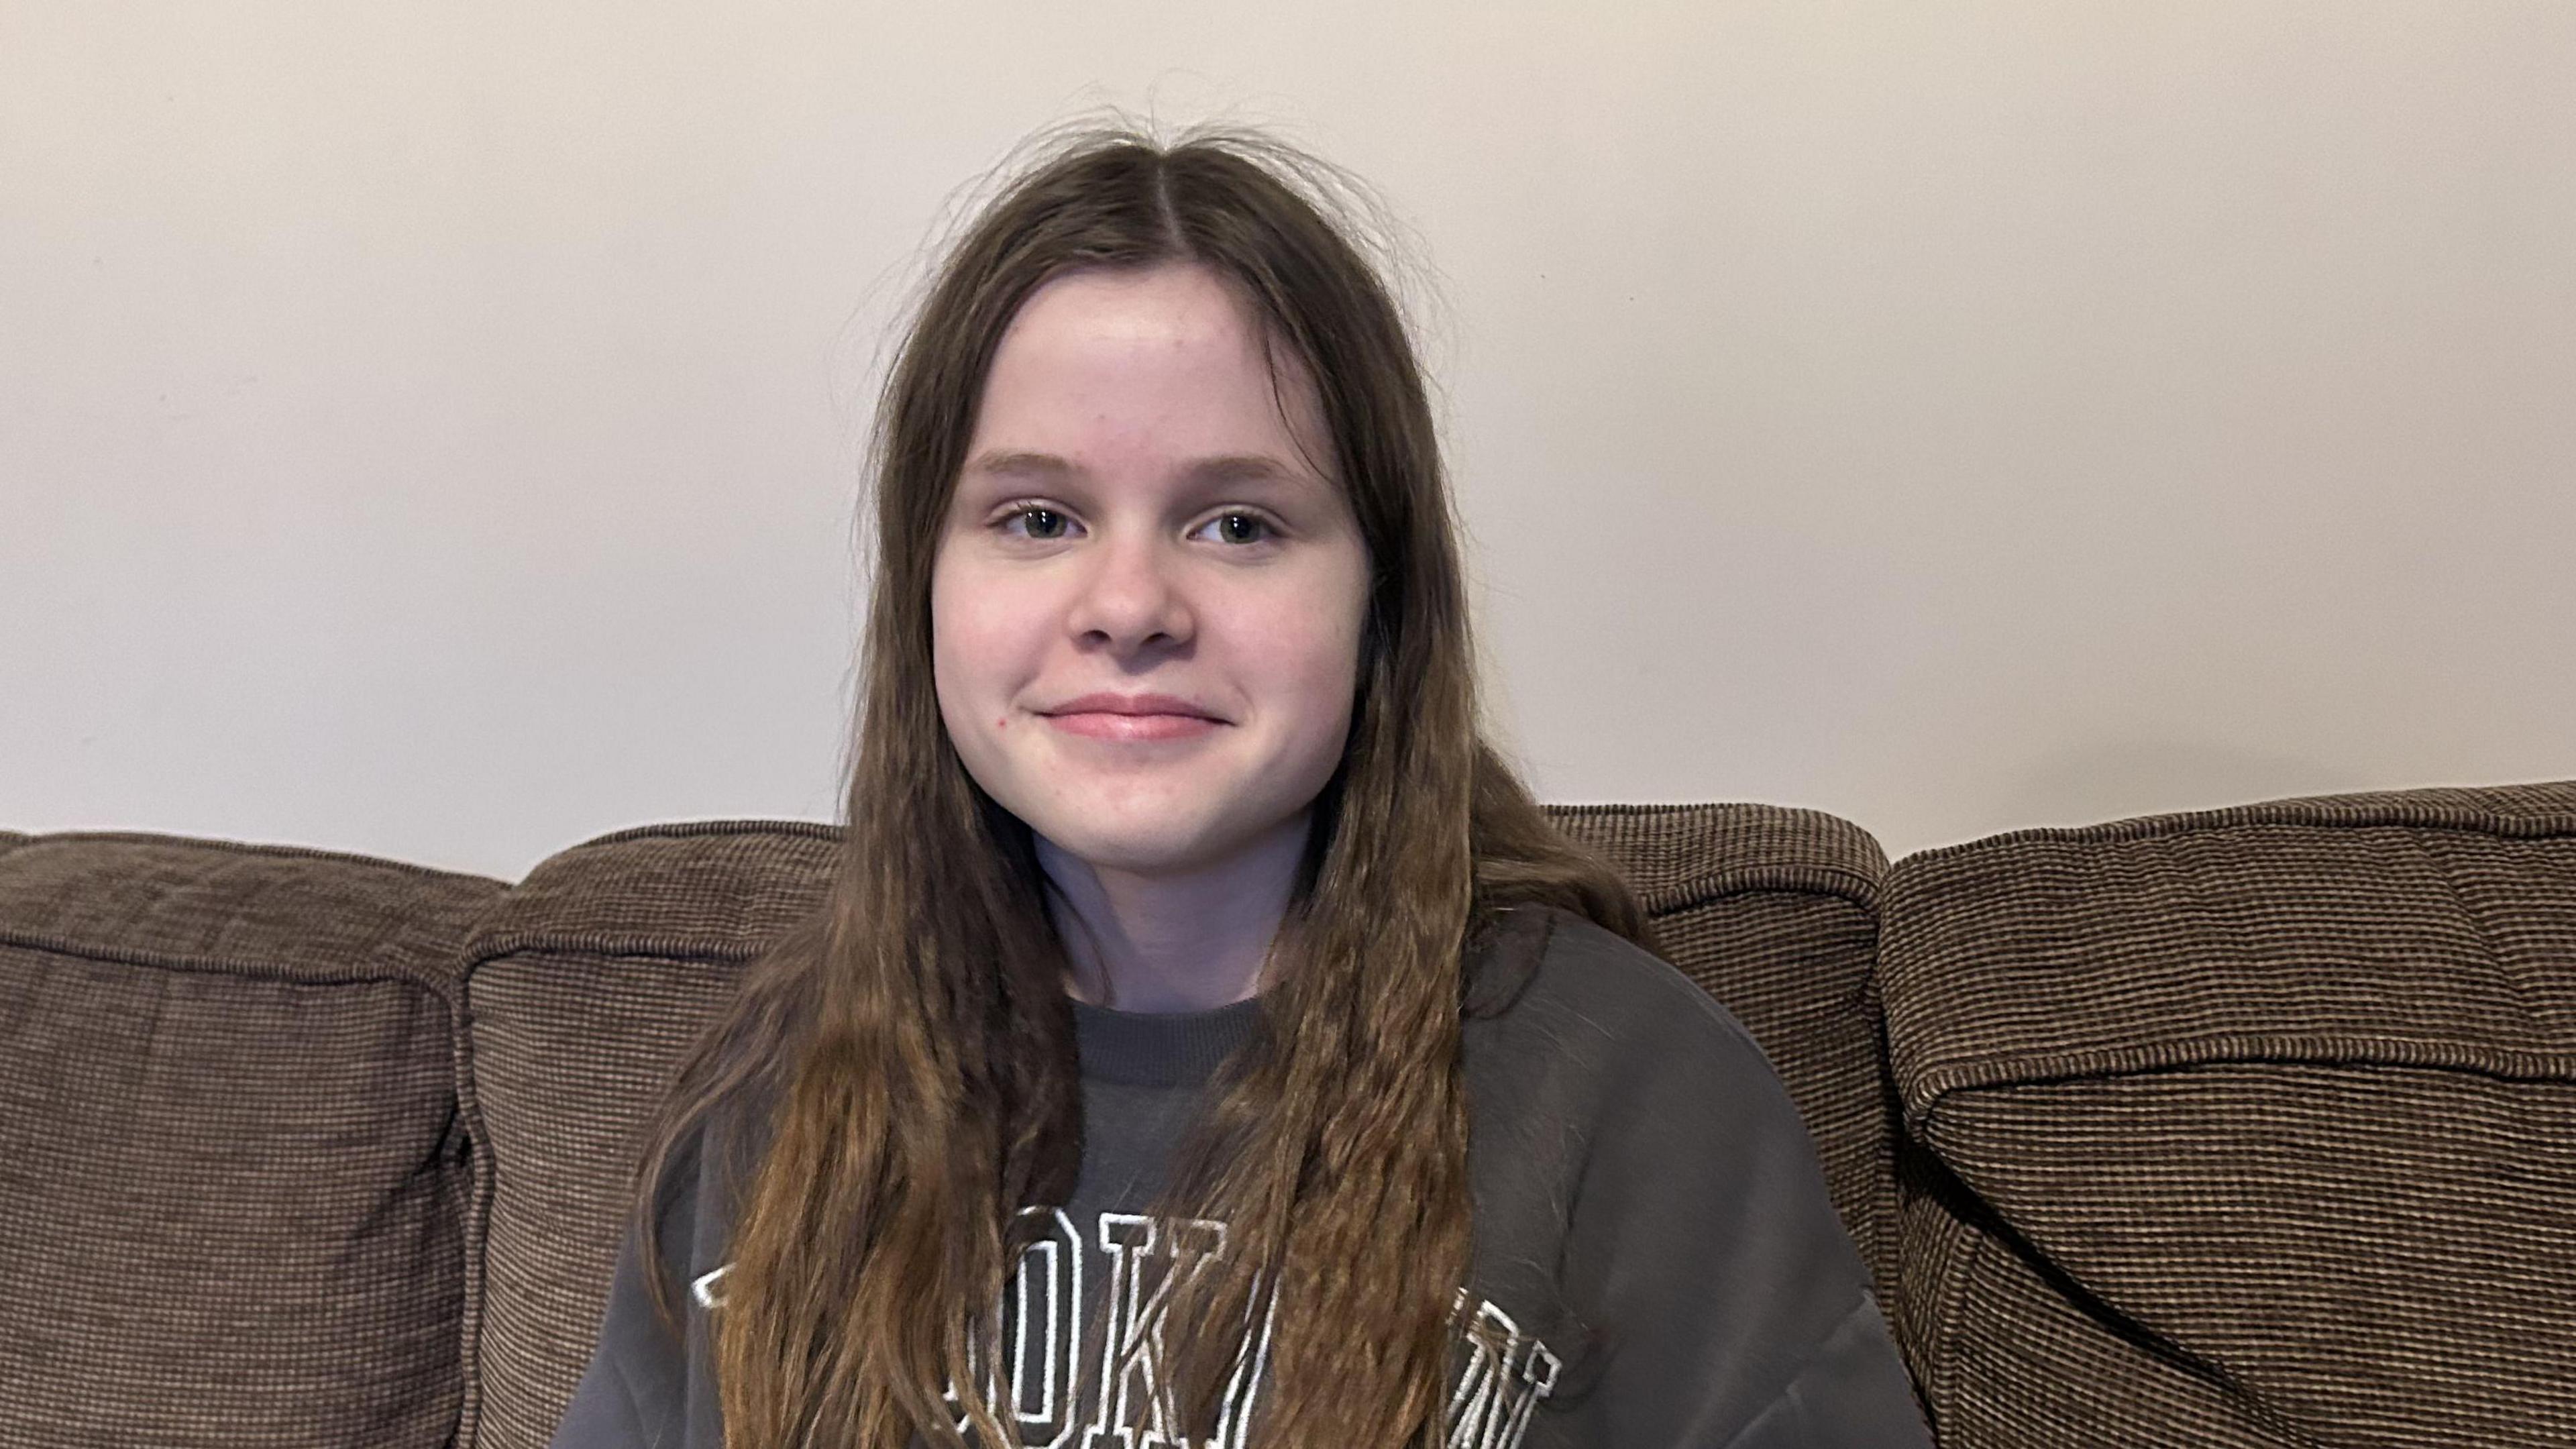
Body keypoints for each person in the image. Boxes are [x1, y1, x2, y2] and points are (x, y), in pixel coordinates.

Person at [549, 117, 1932, 1449]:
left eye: (1238, 522)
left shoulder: (1635, 1092)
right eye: (1038, 517)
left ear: (1381, 598)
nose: (1132, 604)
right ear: (927, 585)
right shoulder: (773, 1096)